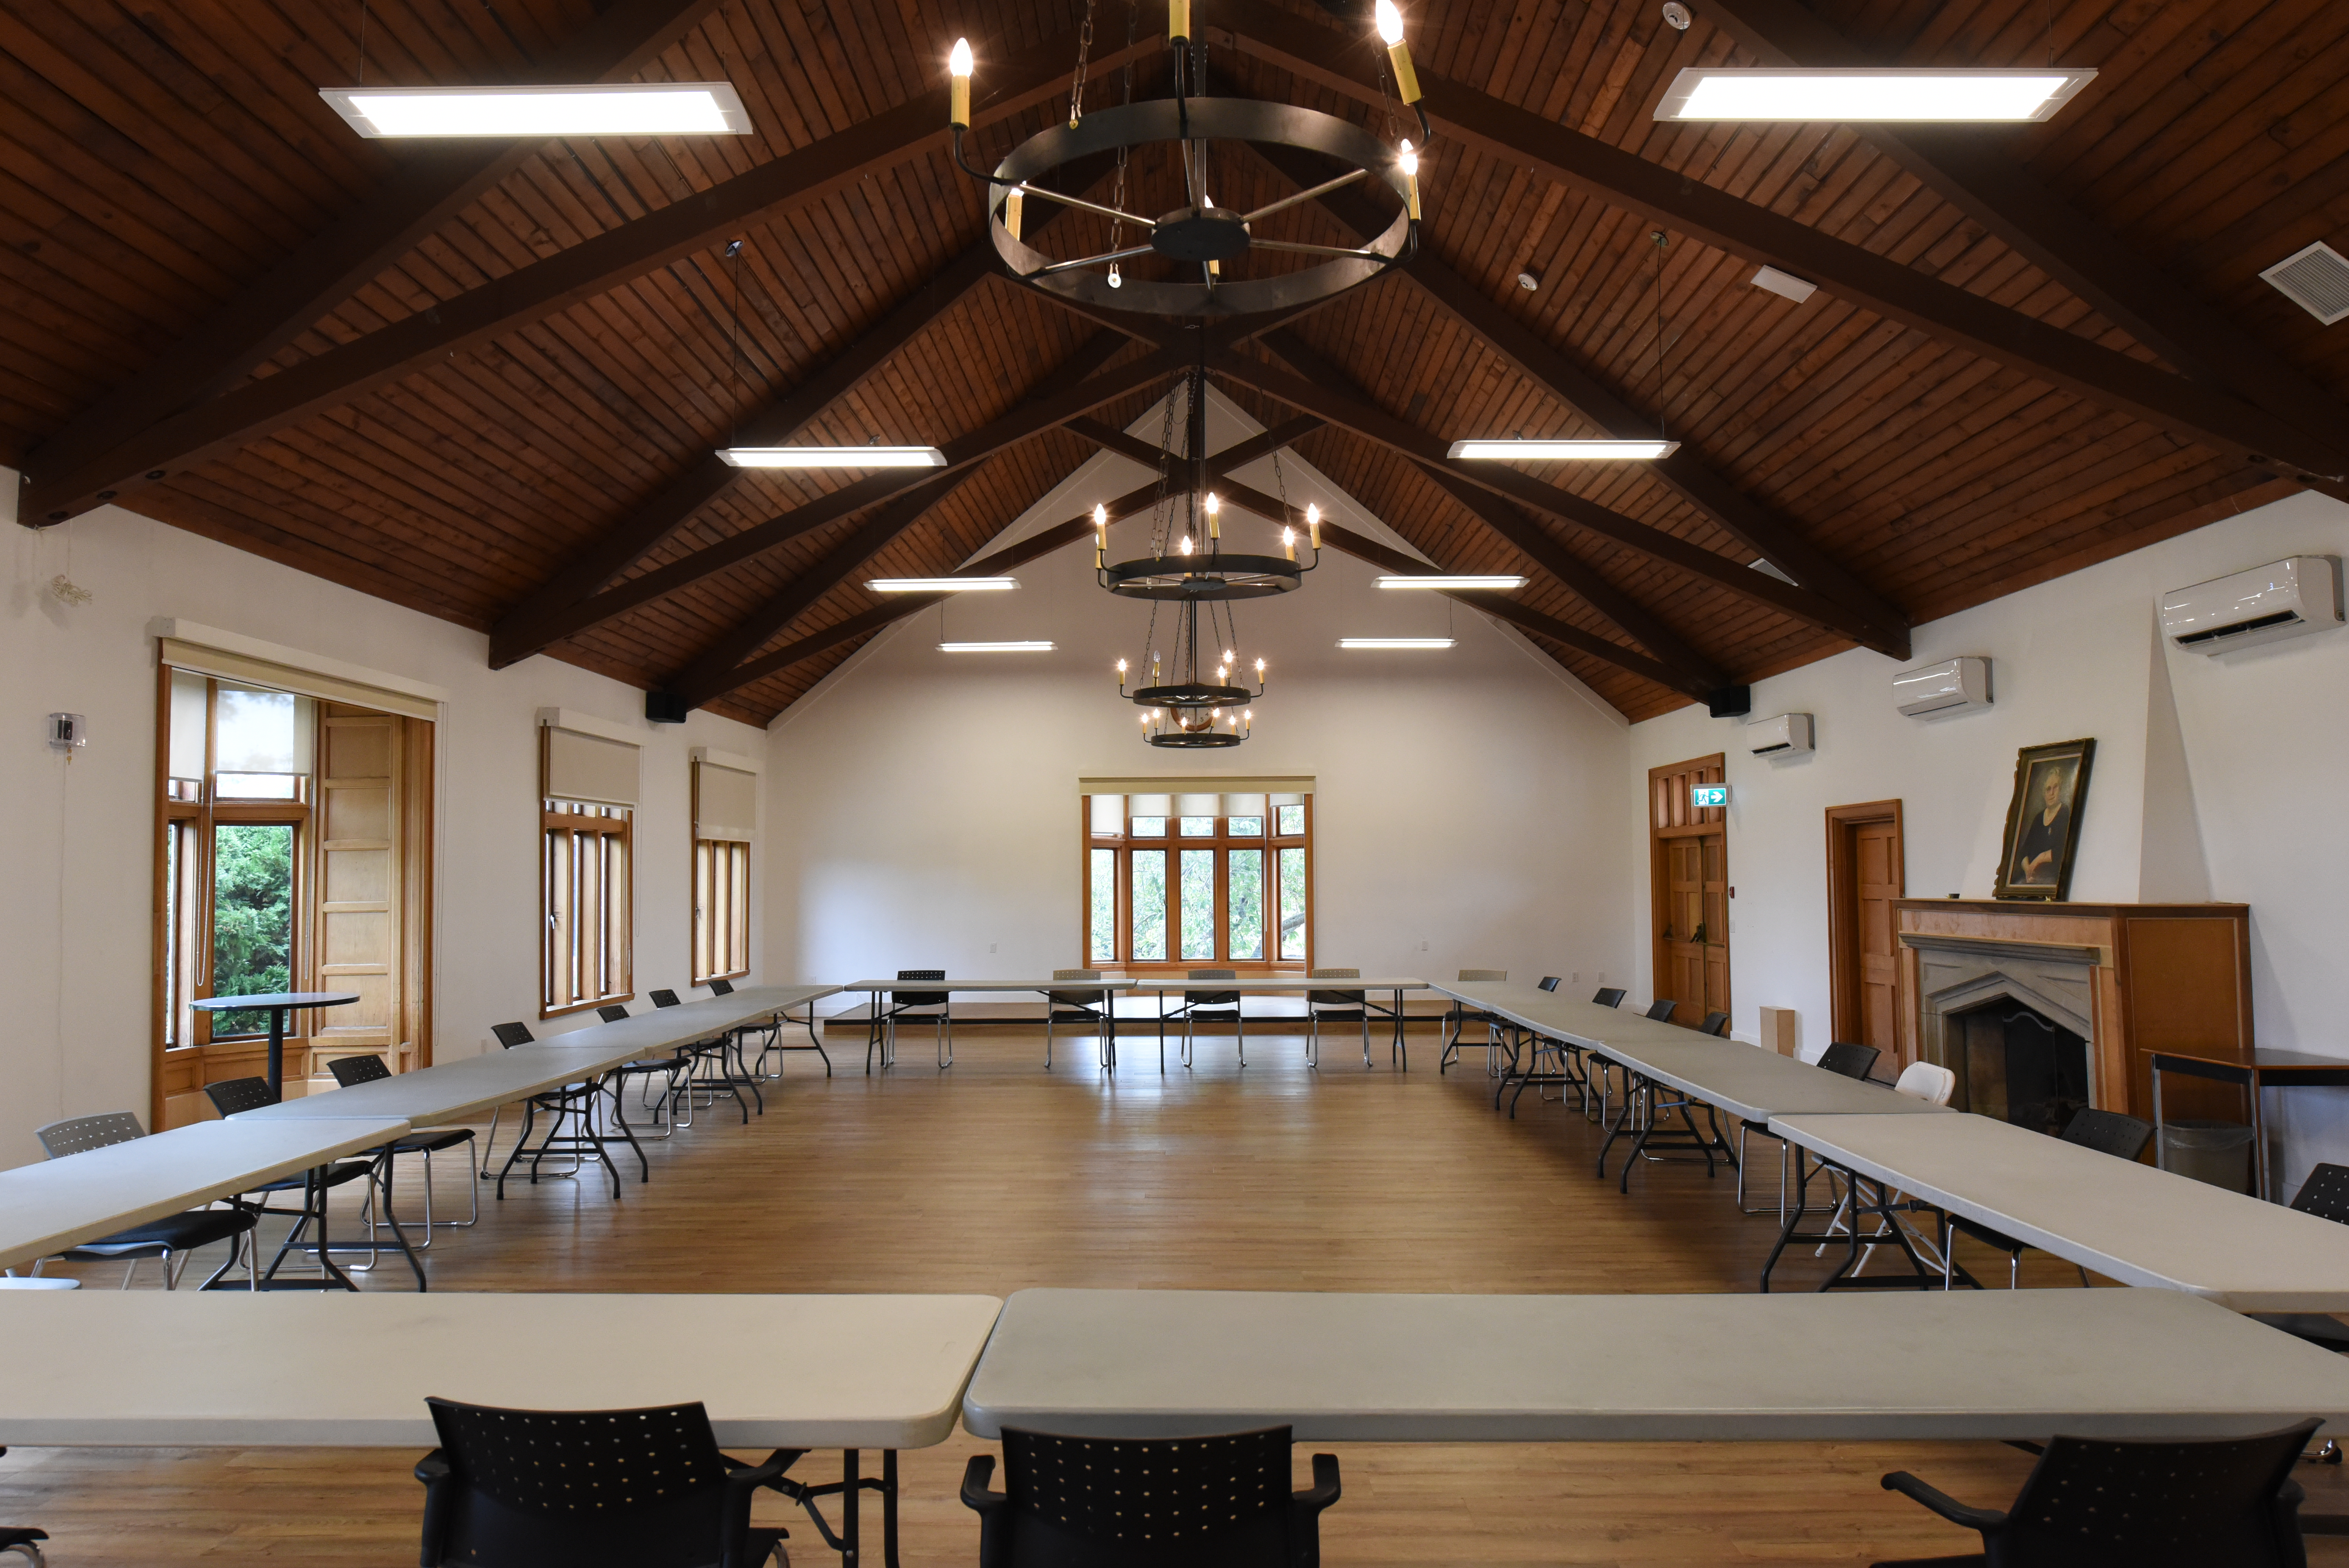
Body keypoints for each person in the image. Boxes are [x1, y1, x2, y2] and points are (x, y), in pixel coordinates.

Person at [2012, 764, 2072, 884]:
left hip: (2051, 880)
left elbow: (2062, 850)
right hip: (2031, 878)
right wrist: (2028, 869)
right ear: (2044, 793)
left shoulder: (2065, 814)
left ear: (2062, 790)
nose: (2052, 793)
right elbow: (2024, 851)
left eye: (2056, 787)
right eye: (2048, 789)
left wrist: (2039, 859)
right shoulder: (2039, 818)